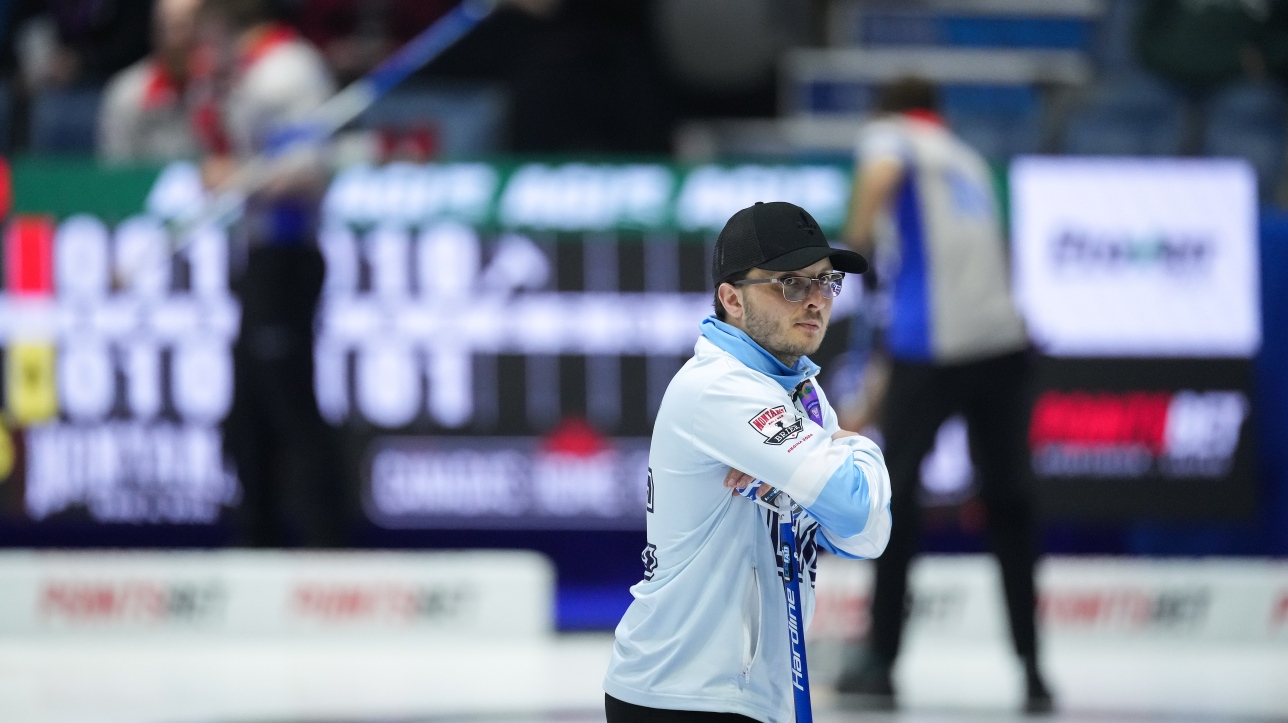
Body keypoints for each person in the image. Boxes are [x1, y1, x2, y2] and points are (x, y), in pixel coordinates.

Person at [603, 201, 892, 722]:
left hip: (741, 697)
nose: (815, 301)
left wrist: (821, 465)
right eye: (790, 283)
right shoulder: (720, 388)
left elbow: (868, 536)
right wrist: (856, 445)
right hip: (686, 698)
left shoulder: (799, 389)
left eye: (825, 282)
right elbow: (852, 508)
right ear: (731, 299)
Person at [836, 77, 1052, 712]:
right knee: (1011, 507)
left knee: (896, 503)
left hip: (933, 350)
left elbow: (876, 177)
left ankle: (880, 660)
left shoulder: (890, 134)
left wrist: (853, 249)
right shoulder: (967, 159)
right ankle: (1033, 670)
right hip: (1002, 345)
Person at [193, 0, 347, 547]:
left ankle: (329, 543)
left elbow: (308, 169)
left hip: (288, 254)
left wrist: (238, 177)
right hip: (256, 254)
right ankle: (257, 540)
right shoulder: (238, 69)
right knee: (248, 416)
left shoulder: (288, 68)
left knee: (290, 407)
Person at [97, 0, 203, 164]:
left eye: (183, 27)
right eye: (165, 28)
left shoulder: (226, 88)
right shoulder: (127, 94)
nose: (174, 39)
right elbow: (116, 173)